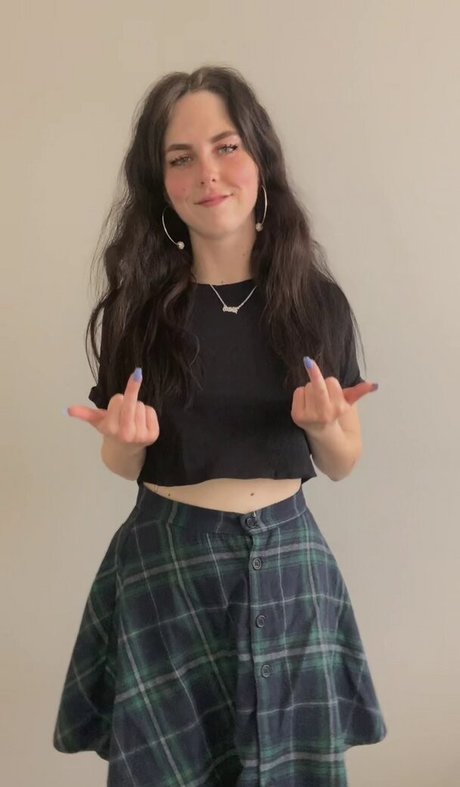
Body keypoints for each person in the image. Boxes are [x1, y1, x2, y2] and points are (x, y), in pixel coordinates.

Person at [53, 65, 386, 787]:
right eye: (181, 157)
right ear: (162, 182)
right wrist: (124, 442)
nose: (207, 172)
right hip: (166, 568)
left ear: (259, 159)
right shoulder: (138, 311)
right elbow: (123, 462)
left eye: (226, 147)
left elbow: (343, 460)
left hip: (290, 566)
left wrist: (325, 427)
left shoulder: (314, 301)